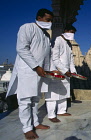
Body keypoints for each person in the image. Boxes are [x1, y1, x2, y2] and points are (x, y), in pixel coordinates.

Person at [6, 8, 53, 139]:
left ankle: (36, 123)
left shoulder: (46, 35)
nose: (50, 23)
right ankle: (27, 128)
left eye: (51, 21)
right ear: (39, 18)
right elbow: (21, 48)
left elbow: (46, 55)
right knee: (25, 100)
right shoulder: (27, 27)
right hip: (27, 70)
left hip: (40, 72)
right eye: (48, 20)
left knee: (35, 99)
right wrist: (36, 66)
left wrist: (48, 69)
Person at [43, 24, 77, 123]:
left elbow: (71, 60)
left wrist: (73, 71)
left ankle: (61, 111)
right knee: (53, 94)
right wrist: (63, 70)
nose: (72, 35)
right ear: (66, 30)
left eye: (73, 33)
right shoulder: (57, 40)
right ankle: (51, 114)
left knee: (64, 92)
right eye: (71, 32)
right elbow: (54, 58)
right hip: (56, 71)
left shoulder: (69, 44)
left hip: (66, 72)